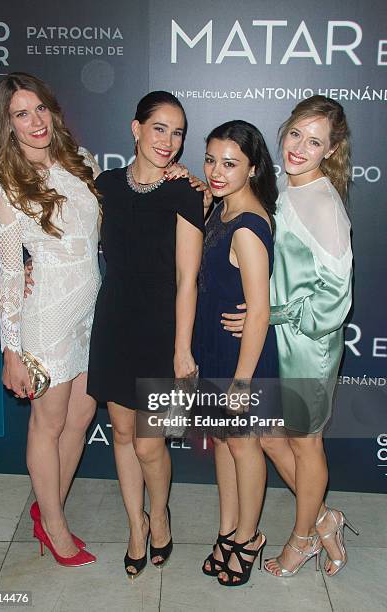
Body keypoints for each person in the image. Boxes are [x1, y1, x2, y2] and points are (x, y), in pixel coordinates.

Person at [221, 96, 357, 577]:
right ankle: (323, 518)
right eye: (297, 133)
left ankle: (302, 541)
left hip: (308, 347)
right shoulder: (285, 187)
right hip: (279, 339)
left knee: (304, 444)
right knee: (270, 437)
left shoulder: (324, 204)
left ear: (331, 149)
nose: (300, 146)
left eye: (315, 140)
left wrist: (271, 312)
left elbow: (334, 300)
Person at [87, 91, 204, 577]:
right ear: (135, 128)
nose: (169, 141)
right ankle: (135, 526)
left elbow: (187, 279)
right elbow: (73, 242)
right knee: (122, 434)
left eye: (177, 132)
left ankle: (160, 516)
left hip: (162, 329)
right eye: (159, 128)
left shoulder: (186, 193)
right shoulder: (105, 186)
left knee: (150, 443)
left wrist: (182, 350)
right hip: (114, 321)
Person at [0, 72, 101, 567]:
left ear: (53, 111)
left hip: (93, 311)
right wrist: (10, 350)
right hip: (47, 317)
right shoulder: (9, 187)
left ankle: (49, 504)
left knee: (81, 416)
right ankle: (53, 524)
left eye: (40, 109)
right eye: (21, 114)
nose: (34, 122)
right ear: (9, 125)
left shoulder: (81, 163)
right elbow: (11, 274)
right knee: (49, 422)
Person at [195, 121, 279, 586]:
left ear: (252, 167)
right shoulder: (221, 210)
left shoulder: (247, 225)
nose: (217, 171)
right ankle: (227, 530)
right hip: (214, 347)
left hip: (240, 358)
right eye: (211, 160)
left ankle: (249, 537)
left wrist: (244, 382)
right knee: (224, 443)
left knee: (243, 446)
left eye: (230, 163)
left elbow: (260, 311)